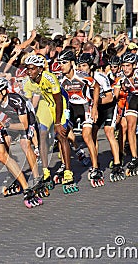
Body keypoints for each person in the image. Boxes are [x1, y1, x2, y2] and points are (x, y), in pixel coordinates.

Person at [0, 77, 49, 198]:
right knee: (4, 142)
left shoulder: (16, 100)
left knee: (24, 144)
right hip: (14, 120)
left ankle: (37, 178)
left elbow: (24, 125)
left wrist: (6, 124)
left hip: (27, 120)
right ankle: (13, 173)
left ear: (4, 92)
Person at [24, 54, 73, 193]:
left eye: (31, 69)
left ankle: (68, 171)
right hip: (46, 104)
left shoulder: (50, 78)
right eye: (27, 68)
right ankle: (45, 171)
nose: (28, 72)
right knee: (42, 133)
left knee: (61, 135)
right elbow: (28, 104)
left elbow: (58, 101)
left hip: (60, 104)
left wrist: (57, 123)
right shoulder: (28, 82)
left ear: (40, 69)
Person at [76, 53, 124, 184]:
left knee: (109, 132)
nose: (81, 68)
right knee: (93, 134)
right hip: (94, 107)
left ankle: (117, 163)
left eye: (84, 65)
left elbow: (110, 97)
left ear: (91, 66)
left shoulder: (100, 77)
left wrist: (95, 103)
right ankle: (95, 163)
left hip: (107, 107)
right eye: (79, 65)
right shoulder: (80, 77)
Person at [58, 49, 100, 192]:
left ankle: (95, 167)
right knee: (63, 135)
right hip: (71, 109)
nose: (61, 66)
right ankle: (68, 160)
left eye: (64, 63)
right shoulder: (60, 79)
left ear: (71, 63)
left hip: (85, 107)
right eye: (59, 63)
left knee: (86, 135)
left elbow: (96, 87)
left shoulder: (83, 76)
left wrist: (95, 107)